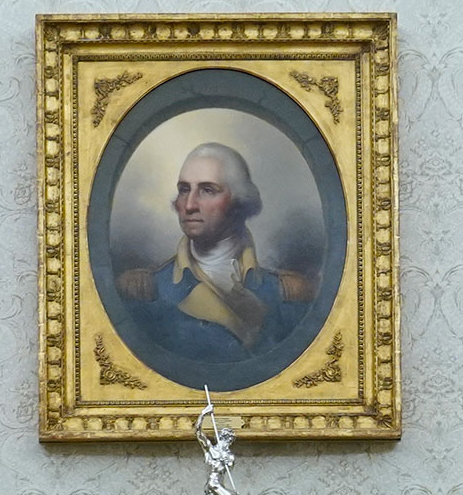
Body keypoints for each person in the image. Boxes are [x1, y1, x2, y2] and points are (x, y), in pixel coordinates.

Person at [112, 142, 316, 367]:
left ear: (239, 200)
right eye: (184, 189)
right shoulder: (142, 291)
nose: (189, 205)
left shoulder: (289, 294)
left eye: (207, 190)